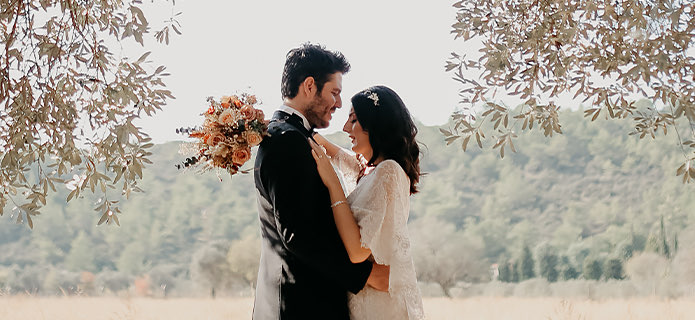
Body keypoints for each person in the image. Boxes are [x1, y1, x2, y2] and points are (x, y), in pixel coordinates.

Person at [253, 43, 390, 320]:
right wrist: (365, 275)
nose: (339, 103)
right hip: (301, 307)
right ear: (309, 85)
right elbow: (297, 235)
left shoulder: (294, 136)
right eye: (335, 92)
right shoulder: (286, 141)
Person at [309, 85, 425, 319]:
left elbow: (358, 251)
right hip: (367, 299)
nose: (344, 128)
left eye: (353, 119)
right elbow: (334, 152)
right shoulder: (370, 172)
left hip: (381, 308)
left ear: (375, 125)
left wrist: (333, 185)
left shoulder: (388, 172)